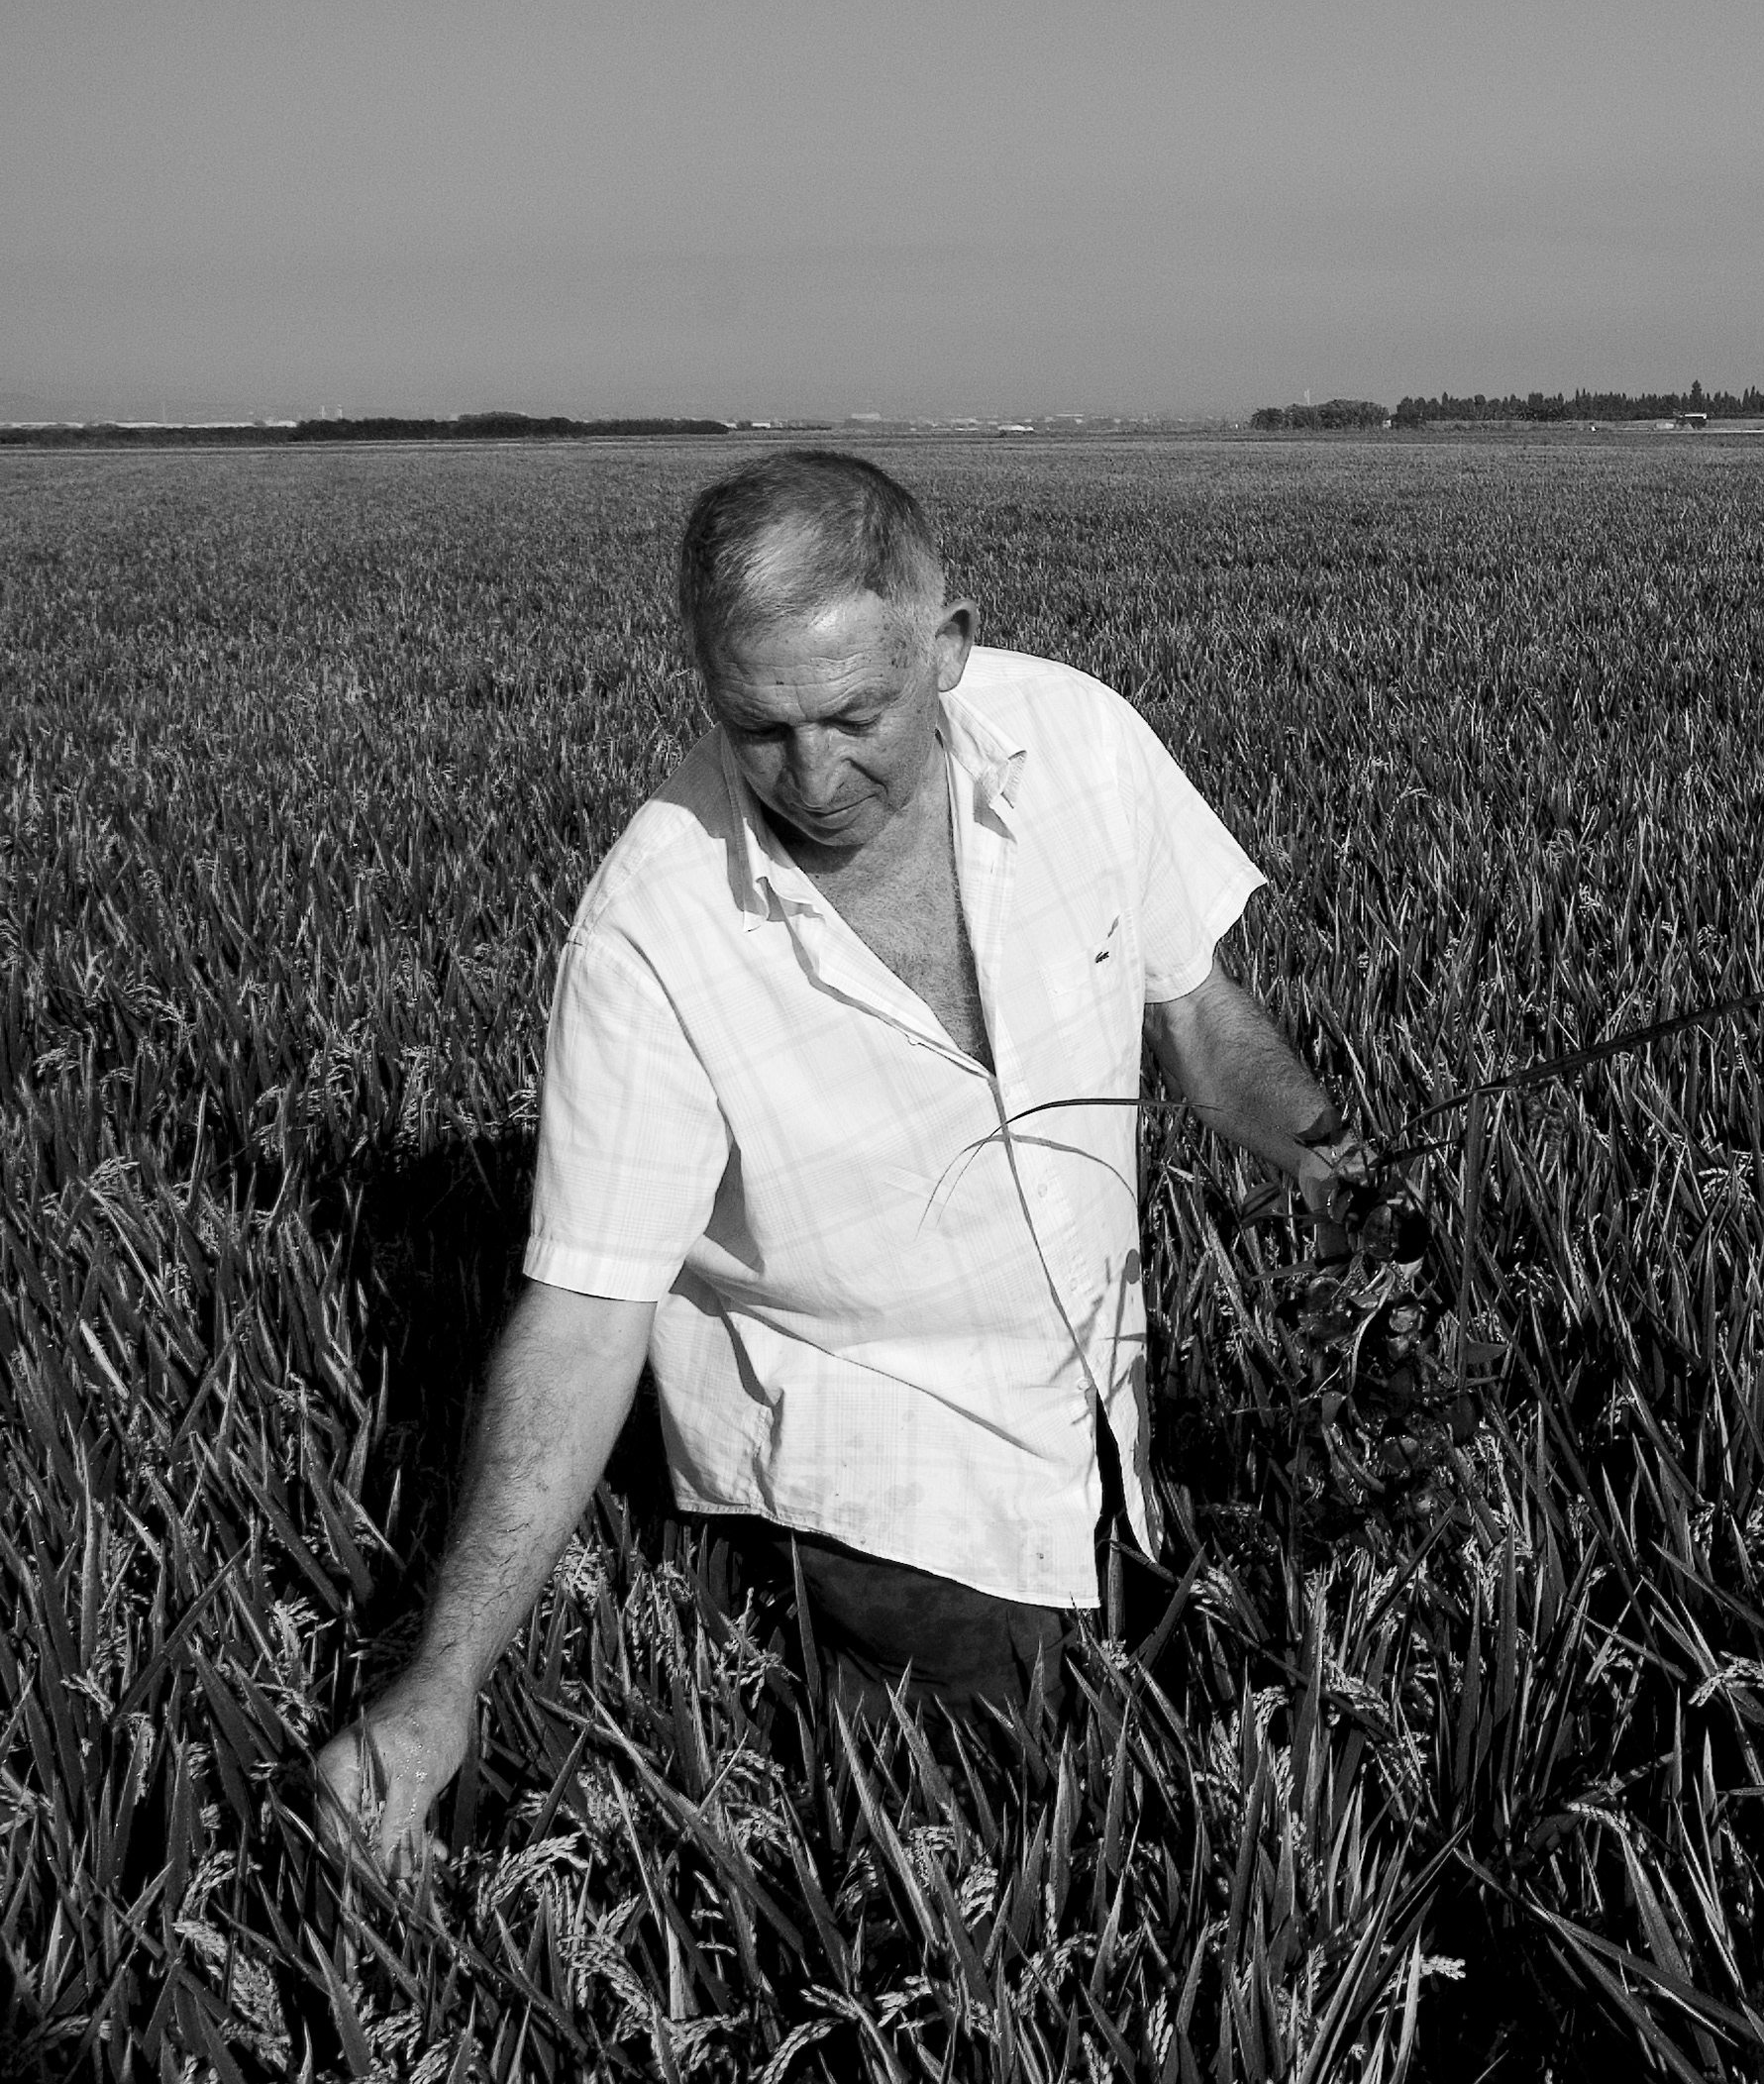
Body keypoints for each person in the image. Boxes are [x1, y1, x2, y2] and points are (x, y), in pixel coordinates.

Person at [313, 450, 1367, 1873]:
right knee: (1029, 1845)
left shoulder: (1084, 745)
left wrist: (1326, 1155)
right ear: (703, 681)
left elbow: (1190, 1006)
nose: (814, 776)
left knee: (1264, 1711)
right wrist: (436, 1692)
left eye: (857, 716)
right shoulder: (654, 933)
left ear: (948, 649)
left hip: (1106, 1399)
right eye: (760, 728)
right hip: (884, 1460)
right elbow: (582, 1319)